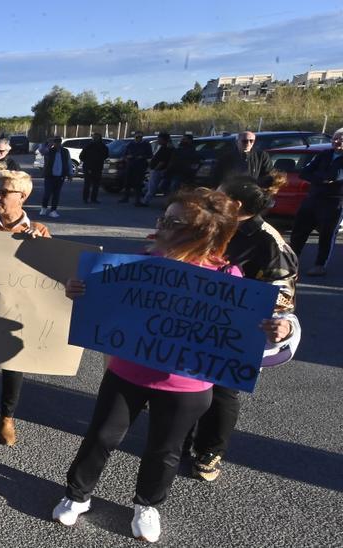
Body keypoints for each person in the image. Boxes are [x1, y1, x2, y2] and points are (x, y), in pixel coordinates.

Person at [54, 188, 295, 543]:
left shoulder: (229, 277)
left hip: (188, 385)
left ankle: (147, 505)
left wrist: (281, 327)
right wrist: (81, 291)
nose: (161, 225)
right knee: (101, 436)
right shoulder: (142, 262)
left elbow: (253, 326)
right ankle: (77, 495)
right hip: (128, 371)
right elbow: (112, 306)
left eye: (173, 221)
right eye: (163, 218)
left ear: (205, 231)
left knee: (165, 450)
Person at [189, 175, 301, 482]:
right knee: (187, 383)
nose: (211, 197)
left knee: (223, 391)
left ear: (236, 205)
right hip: (197, 318)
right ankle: (180, 438)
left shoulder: (270, 244)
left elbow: (282, 301)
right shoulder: (212, 224)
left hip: (237, 328)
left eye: (218, 193)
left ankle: (209, 450)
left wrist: (284, 328)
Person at [0, 171, 51, 444]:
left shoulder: (39, 230)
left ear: (22, 196)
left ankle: (7, 417)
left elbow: (53, 274)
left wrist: (41, 246)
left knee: (14, 366)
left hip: (20, 311)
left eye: (3, 192)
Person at [289, 128, 343, 276]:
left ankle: (320, 265)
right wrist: (322, 178)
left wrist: (318, 176)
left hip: (334, 202)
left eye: (341, 139)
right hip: (312, 198)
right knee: (298, 232)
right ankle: (291, 263)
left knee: (327, 234)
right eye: (335, 138)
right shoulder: (324, 154)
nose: (337, 141)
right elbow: (304, 173)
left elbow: (335, 176)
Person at [40, 136, 72, 218]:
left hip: (60, 176)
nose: (57, 144)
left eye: (59, 142)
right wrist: (47, 143)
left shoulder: (65, 151)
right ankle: (44, 208)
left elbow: (69, 162)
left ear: (61, 142)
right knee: (47, 193)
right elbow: (42, 151)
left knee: (56, 194)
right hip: (49, 176)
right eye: (56, 142)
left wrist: (70, 174)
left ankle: (53, 210)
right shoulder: (49, 150)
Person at [121, 132, 152, 205]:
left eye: (140, 137)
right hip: (130, 165)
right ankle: (125, 197)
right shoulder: (130, 144)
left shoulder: (146, 145)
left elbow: (150, 155)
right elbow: (125, 154)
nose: (138, 138)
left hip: (140, 166)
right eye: (137, 137)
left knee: (138, 183)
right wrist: (127, 157)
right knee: (127, 182)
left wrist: (142, 157)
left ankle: (137, 200)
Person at [144, 133, 174, 206]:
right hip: (159, 169)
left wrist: (155, 169)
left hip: (159, 170)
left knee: (153, 187)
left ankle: (146, 201)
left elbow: (162, 161)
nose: (158, 140)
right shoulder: (162, 147)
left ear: (164, 140)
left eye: (159, 139)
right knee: (160, 187)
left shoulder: (166, 148)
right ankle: (167, 202)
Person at [80, 133, 109, 204]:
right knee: (88, 184)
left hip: (97, 167)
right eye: (94, 137)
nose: (95, 138)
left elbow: (106, 155)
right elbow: (81, 156)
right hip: (89, 167)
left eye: (96, 137)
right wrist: (88, 162)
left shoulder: (103, 147)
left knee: (95, 184)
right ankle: (86, 199)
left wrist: (99, 160)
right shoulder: (89, 146)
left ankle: (93, 199)